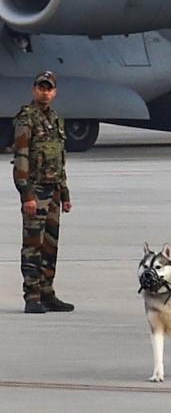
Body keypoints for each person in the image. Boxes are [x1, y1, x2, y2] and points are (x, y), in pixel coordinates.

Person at [13, 71, 74, 314]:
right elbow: (21, 158)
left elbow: (59, 159)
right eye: (41, 87)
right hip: (36, 191)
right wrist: (26, 193)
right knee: (32, 245)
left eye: (49, 88)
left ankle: (47, 292)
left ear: (55, 92)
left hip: (54, 192)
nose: (45, 92)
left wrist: (65, 193)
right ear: (34, 90)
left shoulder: (56, 120)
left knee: (50, 245)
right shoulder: (26, 119)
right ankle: (32, 295)